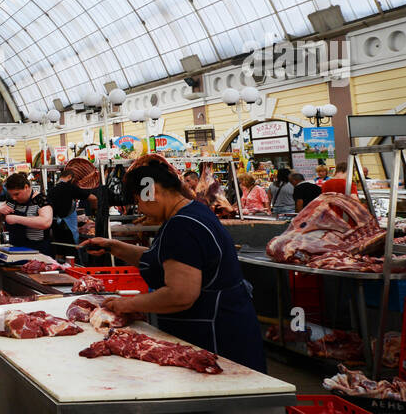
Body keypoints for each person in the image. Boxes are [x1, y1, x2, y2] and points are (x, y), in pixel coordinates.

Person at [79, 154, 267, 372]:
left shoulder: (182, 226)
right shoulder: (192, 212)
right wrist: (114, 246)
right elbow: (162, 260)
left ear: (152, 191)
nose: (139, 208)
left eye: (138, 200)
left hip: (214, 340)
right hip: (220, 329)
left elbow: (180, 295)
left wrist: (126, 304)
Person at [0, 172, 52, 249]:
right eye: (11, 195)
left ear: (26, 187)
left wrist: (16, 219)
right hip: (15, 247)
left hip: (37, 249)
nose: (14, 198)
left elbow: (45, 222)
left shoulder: (40, 200)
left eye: (17, 194)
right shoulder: (12, 201)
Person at [47, 171, 95, 250]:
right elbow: (93, 198)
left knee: (59, 250)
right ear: (69, 177)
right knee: (72, 250)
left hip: (55, 225)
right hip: (68, 227)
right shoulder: (70, 187)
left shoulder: (52, 189)